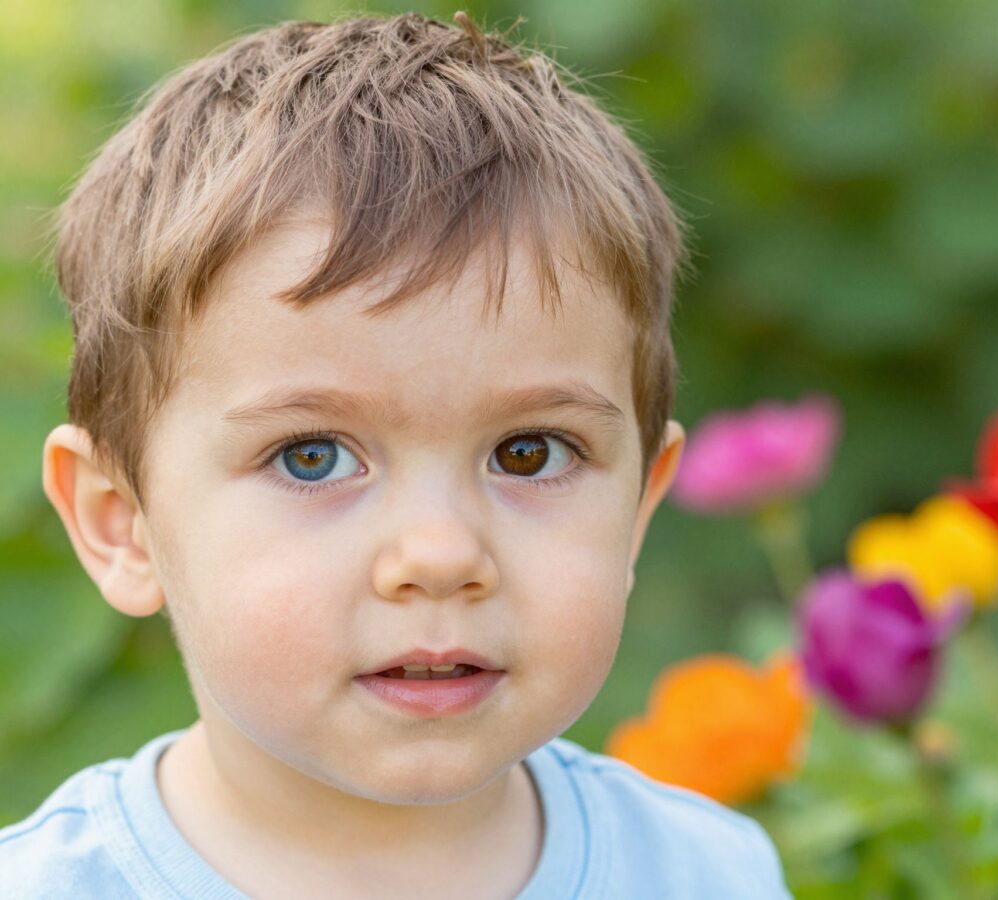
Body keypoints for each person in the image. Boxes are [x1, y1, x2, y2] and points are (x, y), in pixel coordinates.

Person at [0, 11, 792, 899]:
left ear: (638, 507)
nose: (442, 554)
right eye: (312, 457)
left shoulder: (707, 874)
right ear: (124, 524)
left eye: (528, 454)